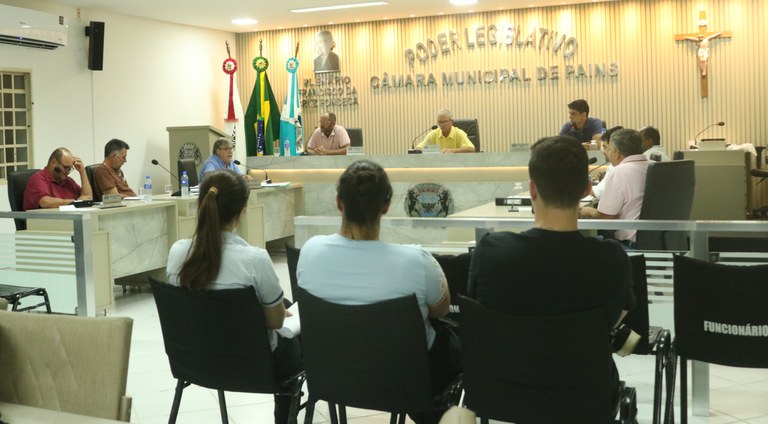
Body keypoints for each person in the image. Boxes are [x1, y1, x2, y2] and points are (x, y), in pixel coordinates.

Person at [468, 136, 637, 412]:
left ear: (532, 189)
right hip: (586, 396)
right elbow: (615, 316)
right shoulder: (611, 259)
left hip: (505, 394)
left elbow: (481, 313)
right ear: (586, 190)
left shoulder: (490, 252)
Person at [297, 160, 459, 424]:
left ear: (339, 202)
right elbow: (441, 309)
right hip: (405, 380)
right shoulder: (416, 261)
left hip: (332, 375)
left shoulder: (309, 251)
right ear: (386, 204)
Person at [166, 170, 300, 424]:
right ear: (241, 212)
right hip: (253, 365)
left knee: (279, 305)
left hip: (193, 360)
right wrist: (270, 312)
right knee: (295, 336)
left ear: (201, 204)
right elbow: (275, 322)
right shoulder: (254, 259)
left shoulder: (177, 253)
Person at [579, 129, 649, 246]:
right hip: (656, 240)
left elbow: (606, 218)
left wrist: (588, 212)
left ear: (617, 153)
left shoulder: (620, 171)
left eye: (609, 149)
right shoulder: (654, 165)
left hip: (628, 244)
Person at [23, 147, 93, 210]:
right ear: (54, 162)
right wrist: (76, 202)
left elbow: (87, 198)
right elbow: (45, 202)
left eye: (69, 169)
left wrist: (82, 172)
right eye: (66, 168)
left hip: (67, 219)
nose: (68, 172)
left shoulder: (68, 181)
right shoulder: (38, 178)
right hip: (43, 220)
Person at [591, 126, 624, 200]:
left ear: (615, 148)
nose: (603, 151)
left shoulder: (617, 168)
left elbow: (599, 193)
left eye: (605, 147)